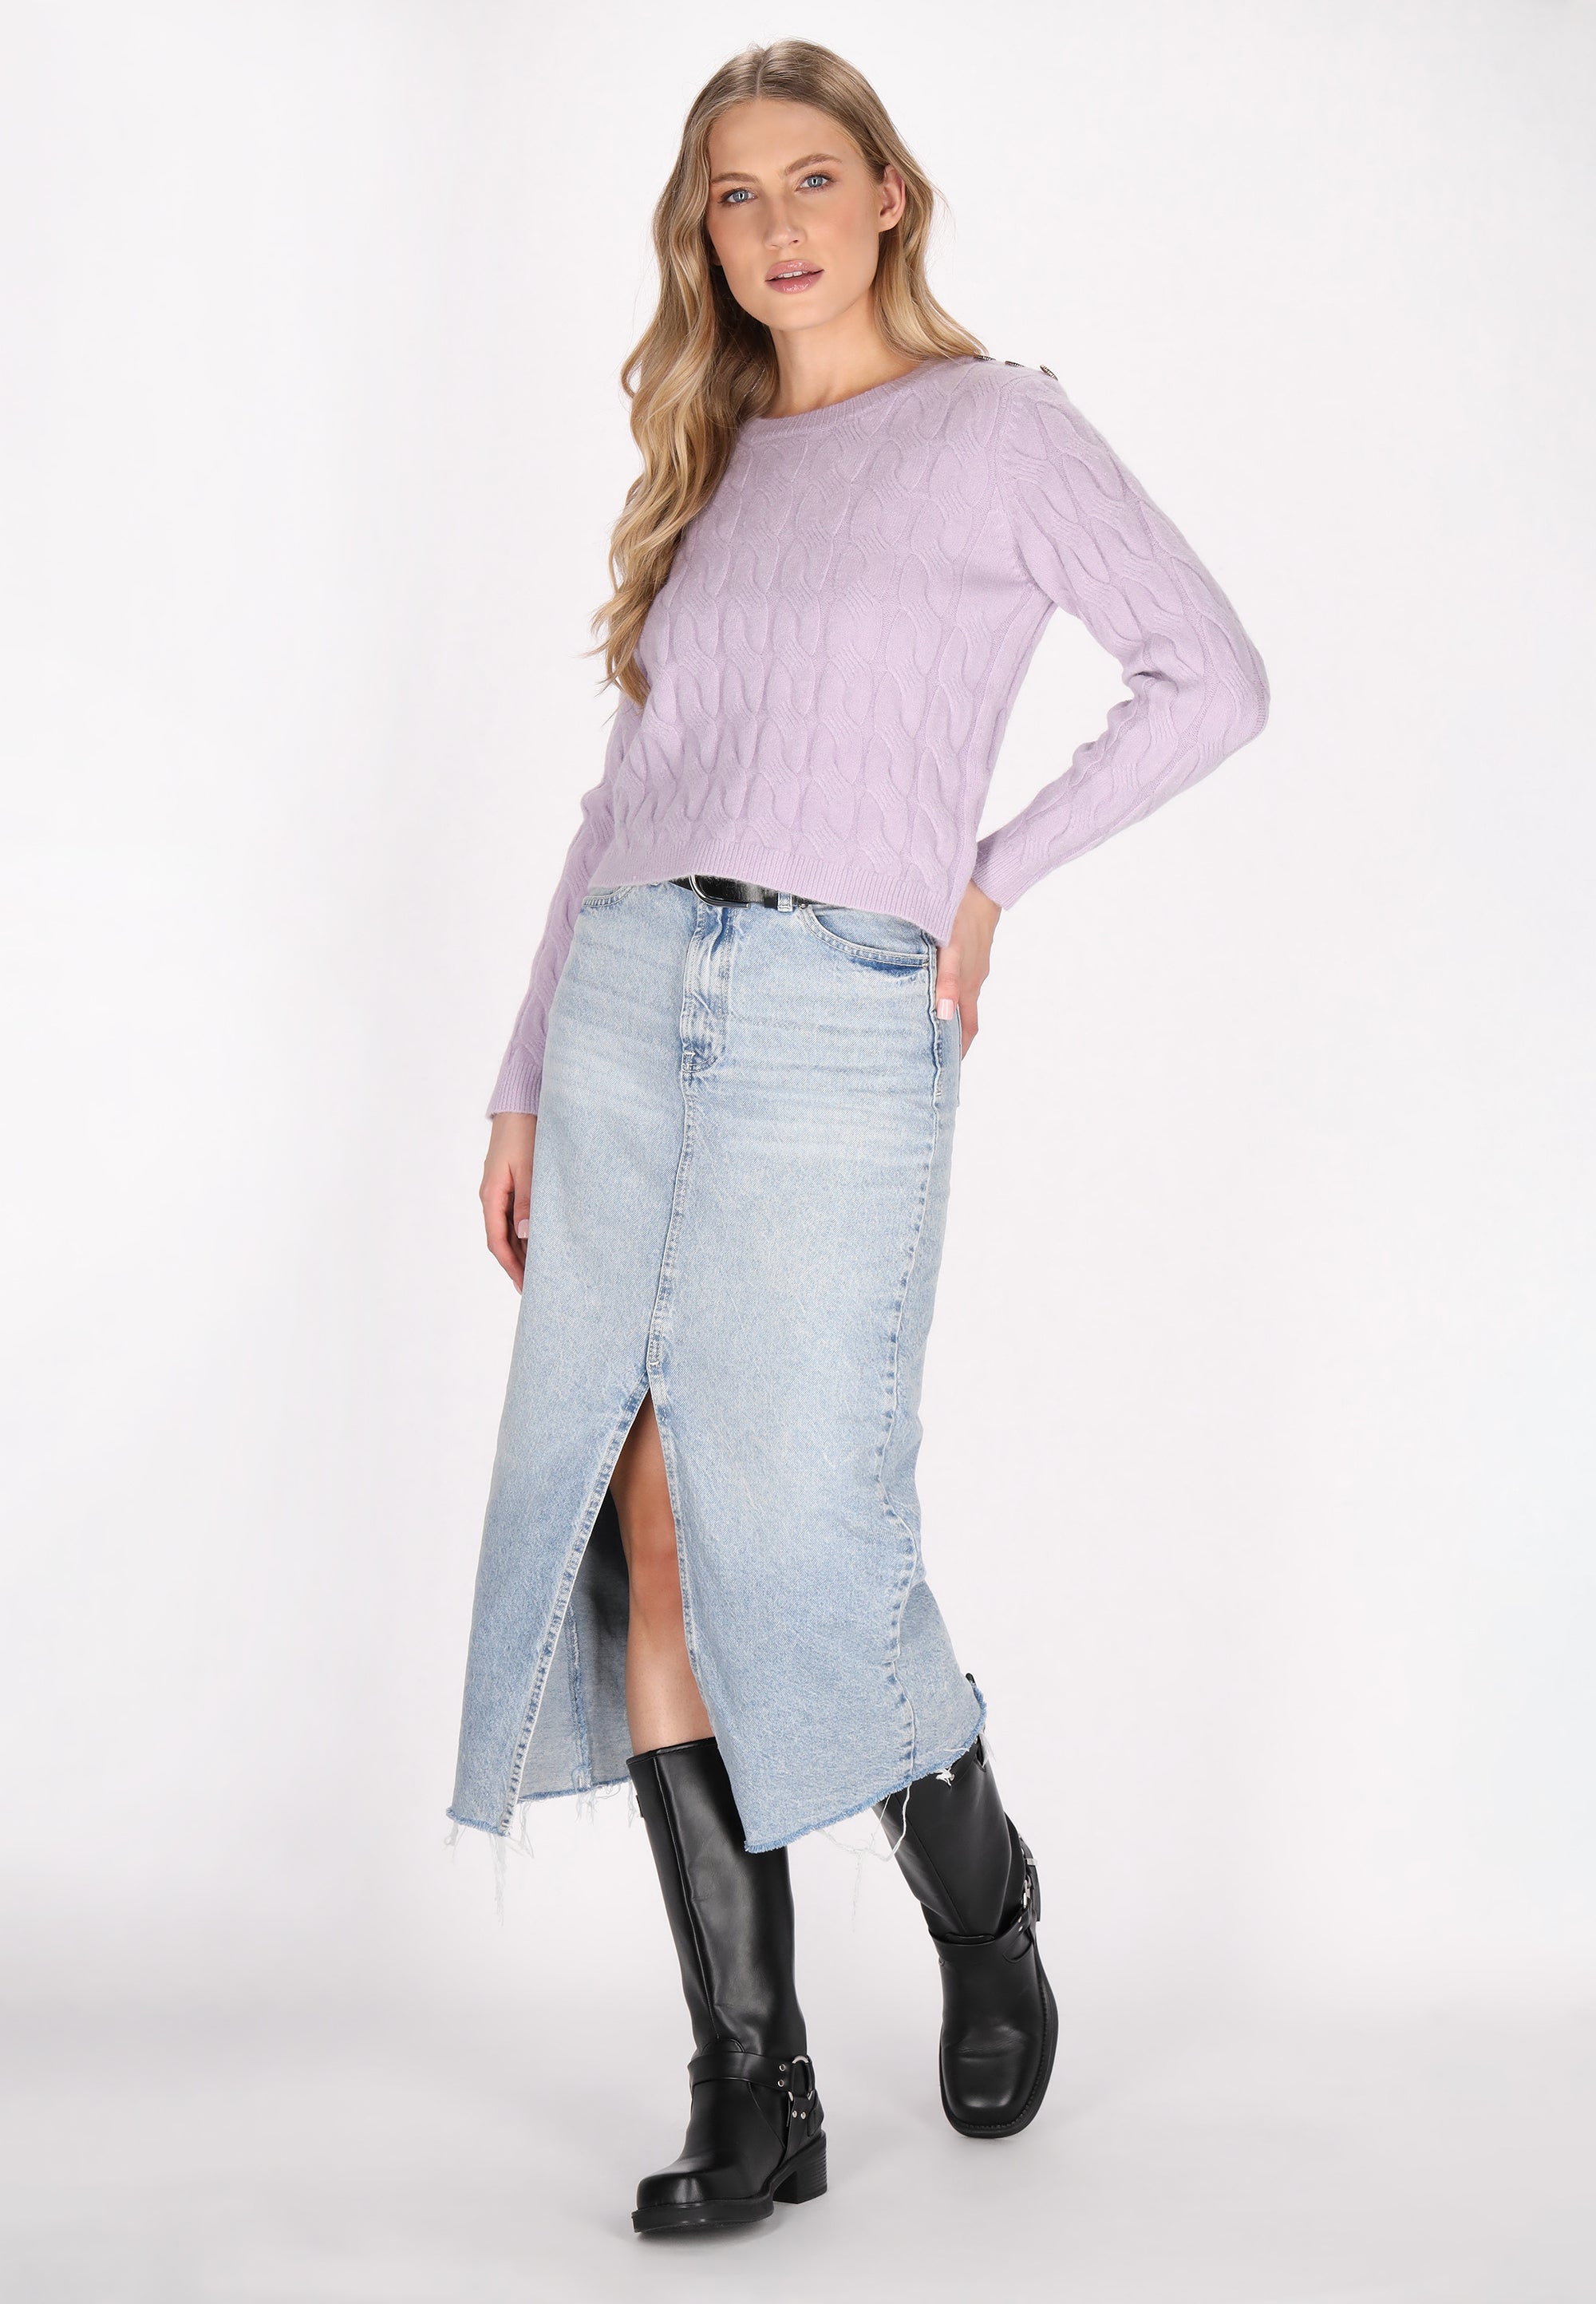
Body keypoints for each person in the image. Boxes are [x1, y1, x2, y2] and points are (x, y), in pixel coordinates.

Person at [446, 38, 1269, 2238]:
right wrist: (523, 1075)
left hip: (834, 1015)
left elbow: (1210, 676)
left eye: (814, 179)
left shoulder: (1001, 432)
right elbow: (623, 801)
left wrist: (987, 880)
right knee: (649, 1526)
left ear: (892, 194)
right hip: (629, 1006)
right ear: (703, 233)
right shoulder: (715, 459)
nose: (778, 225)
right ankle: (755, 2087)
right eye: (735, 195)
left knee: (804, 1534)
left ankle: (981, 1894)